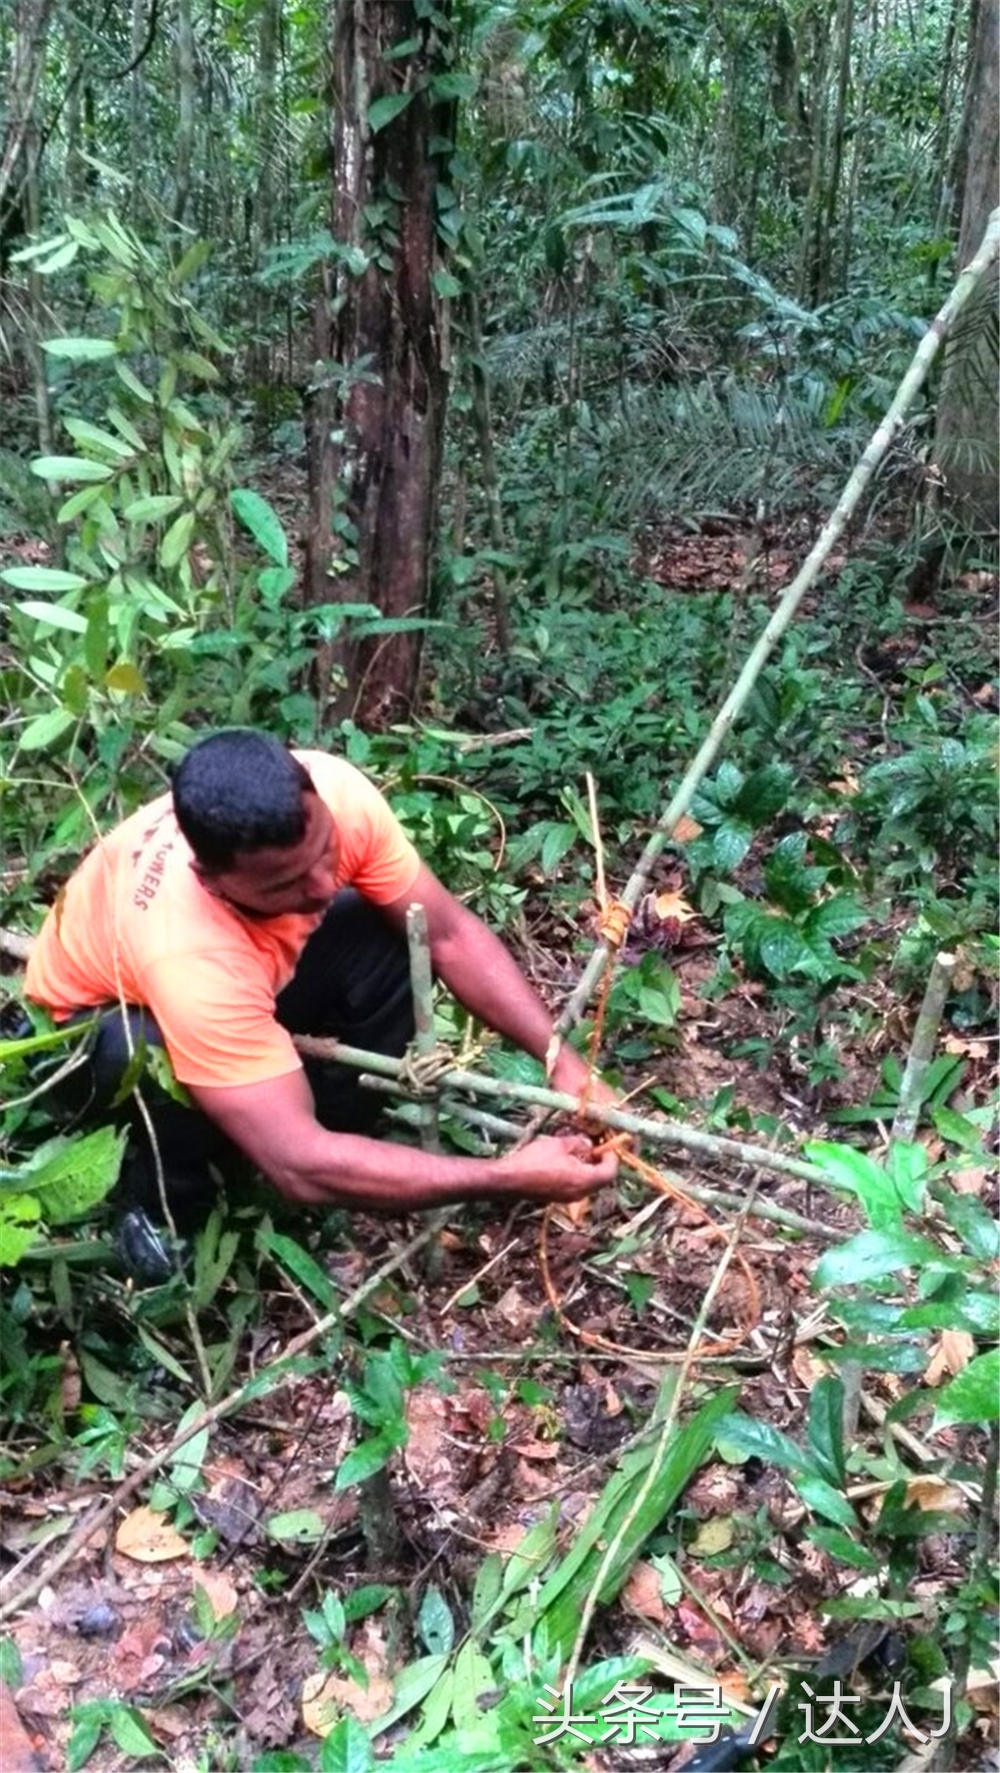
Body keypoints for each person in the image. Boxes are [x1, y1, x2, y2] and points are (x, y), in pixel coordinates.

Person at [24, 730, 618, 1236]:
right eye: (284, 885)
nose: (322, 885)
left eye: (325, 850)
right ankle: (165, 1204)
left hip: (234, 985)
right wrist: (508, 1177)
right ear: (212, 882)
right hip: (91, 1032)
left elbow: (448, 936)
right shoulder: (191, 958)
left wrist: (562, 1062)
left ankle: (337, 1132)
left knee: (385, 929)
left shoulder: (337, 791)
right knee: (136, 1051)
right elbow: (298, 1167)